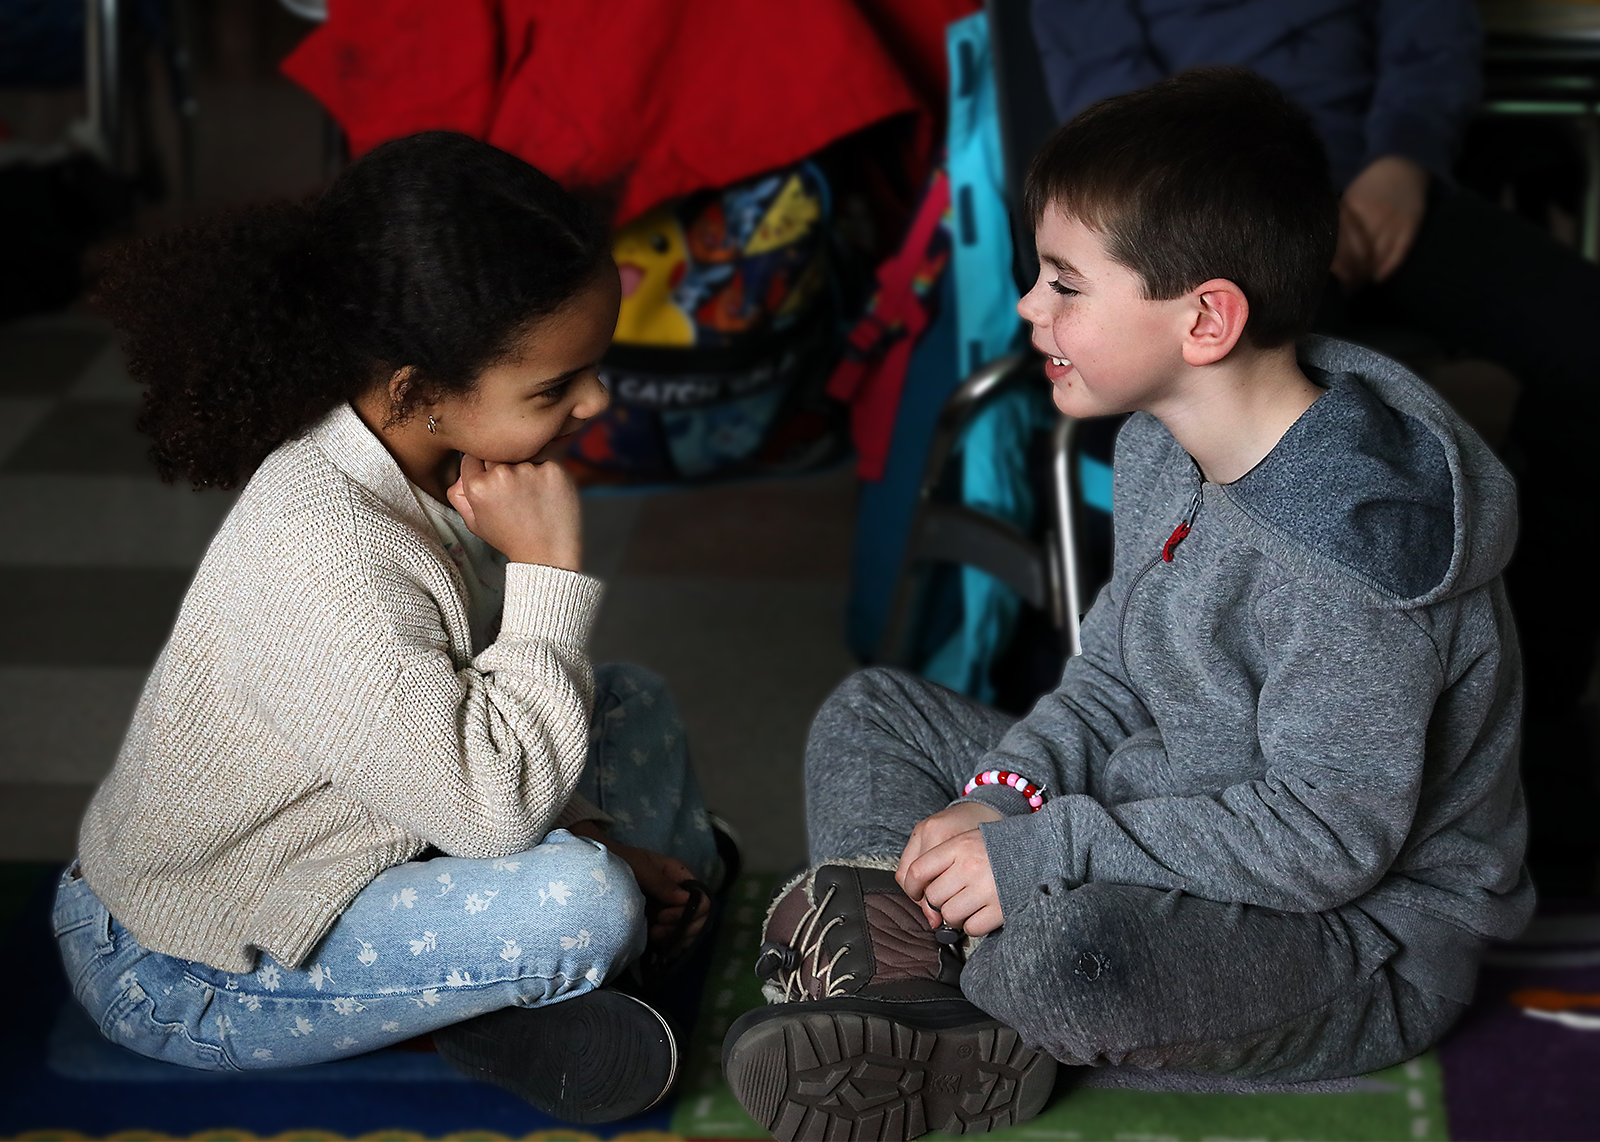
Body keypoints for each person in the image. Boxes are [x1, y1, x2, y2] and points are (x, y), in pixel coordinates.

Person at [720, 69, 1533, 1142]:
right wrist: (1005, 798)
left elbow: (1325, 839)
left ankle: (915, 984)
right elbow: (1107, 678)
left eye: (1064, 282)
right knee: (872, 712)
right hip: (1169, 806)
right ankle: (916, 999)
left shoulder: (1350, 550)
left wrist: (1042, 853)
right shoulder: (1164, 438)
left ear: (1204, 318)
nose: (1028, 306)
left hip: (1354, 938)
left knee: (1062, 956)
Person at [52, 131, 727, 1123]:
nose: (595, 399)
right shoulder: (325, 555)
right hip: (194, 960)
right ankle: (567, 966)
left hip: (386, 829)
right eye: (552, 389)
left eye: (593, 366)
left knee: (632, 700)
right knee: (584, 902)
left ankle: (521, 988)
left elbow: (469, 722)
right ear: (418, 392)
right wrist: (545, 571)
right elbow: (490, 811)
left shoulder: (422, 464)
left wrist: (587, 827)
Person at [1029, 0, 1600, 895]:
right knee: (1249, 404)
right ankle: (1261, 746)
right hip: (1184, 213)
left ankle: (1501, 721)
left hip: (1379, 186)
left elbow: (1430, 31)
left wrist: (1401, 164)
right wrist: (1224, 216)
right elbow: (1107, 99)